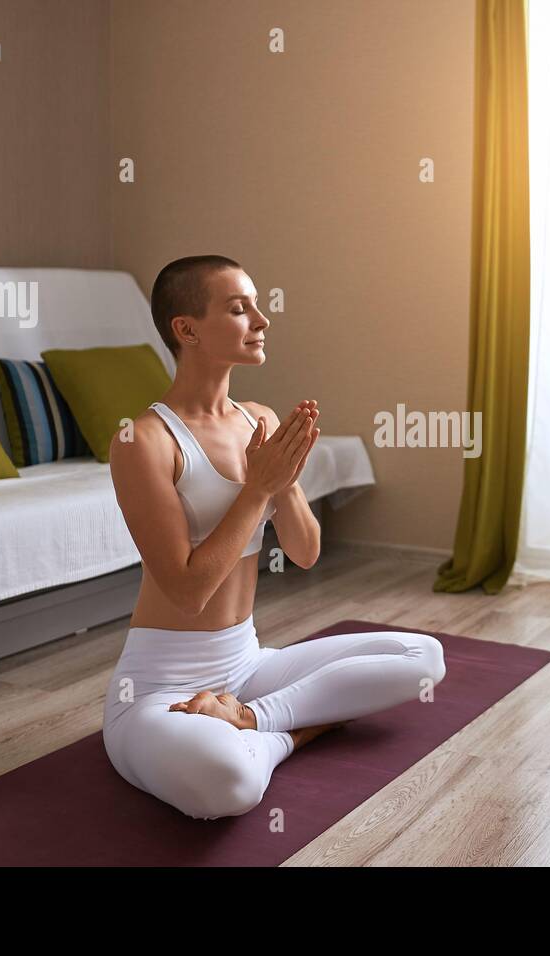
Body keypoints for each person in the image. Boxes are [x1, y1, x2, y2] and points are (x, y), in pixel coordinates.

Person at [101, 254, 446, 821]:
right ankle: (298, 729)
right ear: (186, 329)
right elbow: (188, 592)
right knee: (228, 786)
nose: (262, 320)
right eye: (240, 309)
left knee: (424, 656)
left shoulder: (256, 418)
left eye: (257, 306)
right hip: (159, 687)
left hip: (248, 666)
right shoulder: (145, 440)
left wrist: (282, 485)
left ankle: (253, 721)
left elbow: (305, 553)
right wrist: (257, 489)